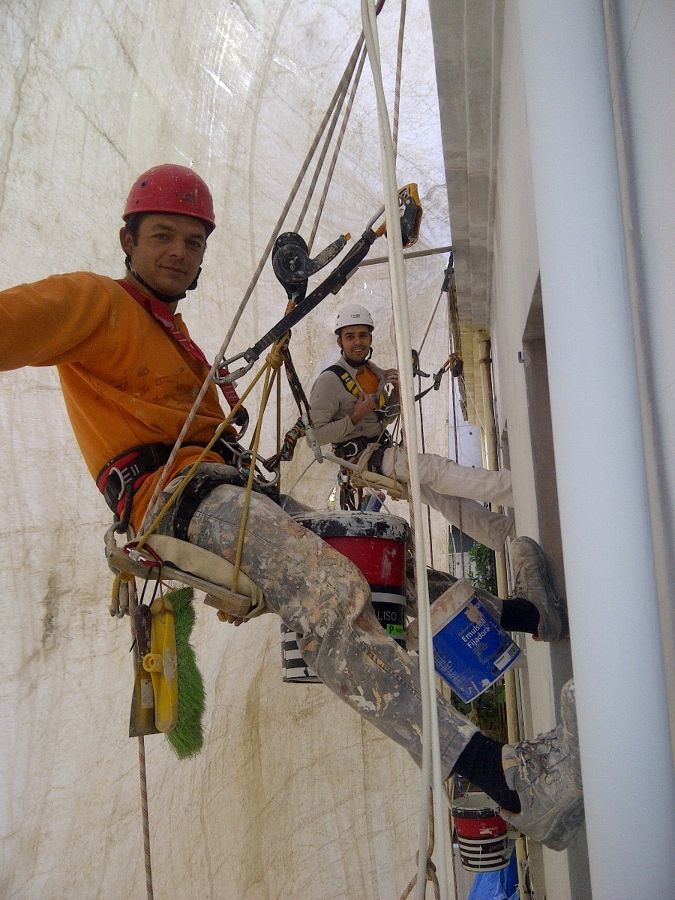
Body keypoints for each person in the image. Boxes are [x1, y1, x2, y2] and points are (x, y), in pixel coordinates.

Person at [0, 164, 583, 850]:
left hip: (230, 489)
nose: (178, 252)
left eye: (192, 242)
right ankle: (508, 782)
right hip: (179, 502)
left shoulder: (171, 333)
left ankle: (528, 616)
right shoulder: (92, 301)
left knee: (383, 557)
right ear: (127, 240)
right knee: (326, 589)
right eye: (161, 235)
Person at [308, 304, 515, 551]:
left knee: (441, 495)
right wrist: (354, 417)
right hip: (362, 459)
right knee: (435, 469)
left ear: (370, 338)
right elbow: (314, 436)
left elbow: (384, 419)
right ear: (340, 341)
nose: (357, 342)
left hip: (380, 451)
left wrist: (396, 393)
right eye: (350, 336)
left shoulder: (373, 373)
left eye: (362, 335)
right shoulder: (329, 381)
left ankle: (501, 530)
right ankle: (512, 488)